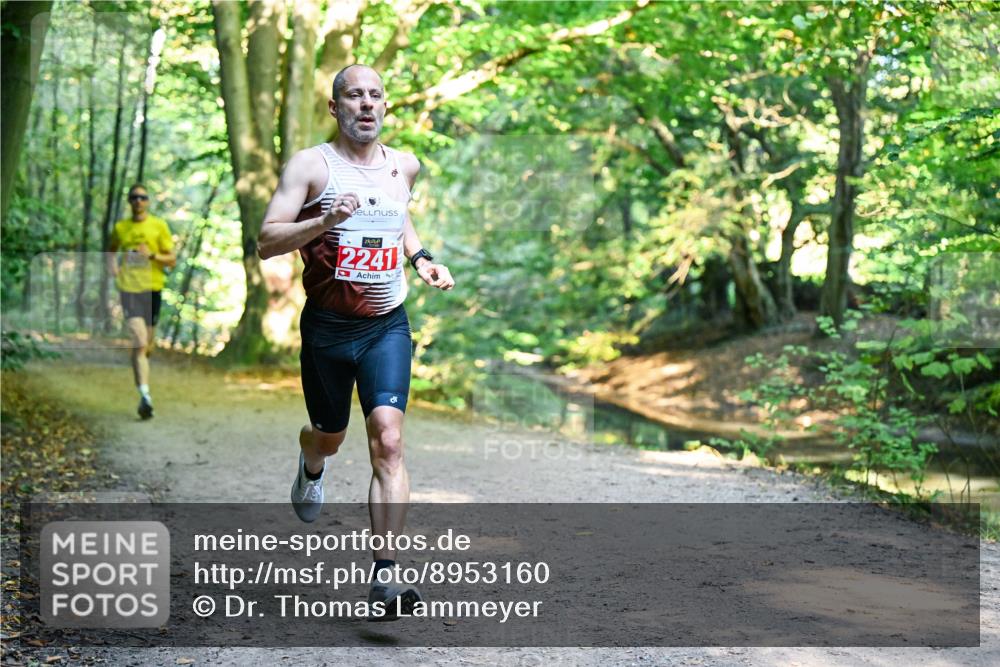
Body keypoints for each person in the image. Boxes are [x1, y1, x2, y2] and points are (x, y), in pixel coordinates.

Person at [257, 64, 454, 619]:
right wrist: (324, 221)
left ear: (385, 107)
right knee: (329, 436)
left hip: (385, 324)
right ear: (335, 107)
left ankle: (386, 578)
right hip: (326, 327)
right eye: (353, 96)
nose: (365, 105)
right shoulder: (312, 167)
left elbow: (399, 220)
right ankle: (309, 462)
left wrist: (421, 259)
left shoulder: (404, 166)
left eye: (374, 96)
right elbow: (267, 241)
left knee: (388, 440)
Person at [107, 183, 176, 420]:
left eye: (142, 197)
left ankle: (141, 368)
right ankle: (145, 396)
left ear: (148, 201)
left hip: (152, 289)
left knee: (147, 346)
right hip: (129, 289)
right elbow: (110, 250)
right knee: (139, 341)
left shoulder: (159, 226)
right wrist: (113, 268)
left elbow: (172, 260)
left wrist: (152, 255)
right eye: (134, 197)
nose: (138, 201)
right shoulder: (120, 228)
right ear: (129, 201)